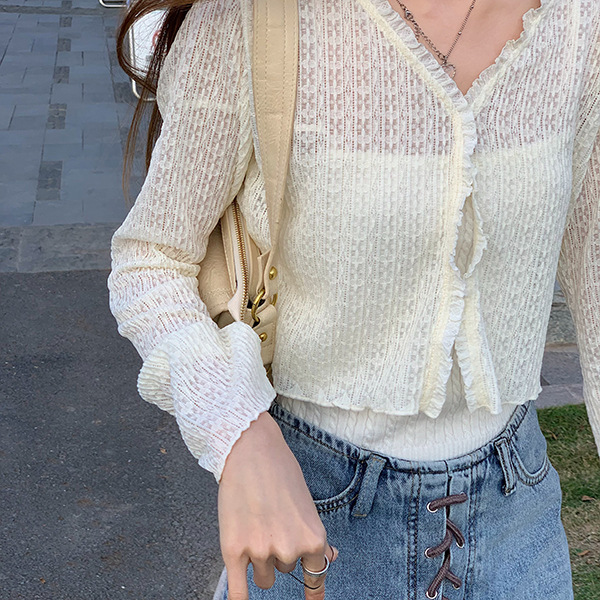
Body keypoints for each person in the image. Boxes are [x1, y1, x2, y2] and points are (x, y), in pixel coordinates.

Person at [109, 0, 600, 598]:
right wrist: (239, 434)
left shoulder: (581, 26)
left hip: (517, 530)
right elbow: (152, 260)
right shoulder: (257, 19)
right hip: (308, 524)